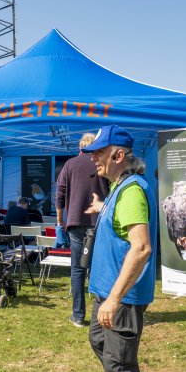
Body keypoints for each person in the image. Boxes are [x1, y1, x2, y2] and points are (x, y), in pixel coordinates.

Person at [80, 125, 157, 372]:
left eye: (99, 152)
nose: (93, 158)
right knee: (99, 339)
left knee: (119, 364)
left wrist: (114, 299)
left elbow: (141, 248)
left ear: (119, 155)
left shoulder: (131, 191)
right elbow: (119, 222)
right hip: (108, 292)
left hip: (120, 297)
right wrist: (100, 209)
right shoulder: (120, 187)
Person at [56, 133, 109, 328]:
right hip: (99, 221)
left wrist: (60, 218)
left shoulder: (70, 164)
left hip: (76, 222)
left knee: (77, 270)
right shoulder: (101, 163)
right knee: (99, 268)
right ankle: (100, 314)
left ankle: (78, 315)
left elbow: (59, 193)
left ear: (80, 146)